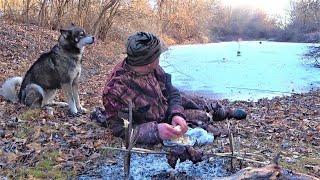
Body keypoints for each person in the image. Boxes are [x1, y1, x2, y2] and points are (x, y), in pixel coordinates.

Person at [102, 32, 246, 144]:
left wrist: (176, 114)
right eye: (158, 56)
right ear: (149, 62)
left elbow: (172, 92)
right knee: (202, 118)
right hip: (155, 123)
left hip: (166, 109)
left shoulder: (154, 68)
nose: (159, 58)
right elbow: (120, 128)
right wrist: (154, 131)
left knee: (196, 101)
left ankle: (225, 111)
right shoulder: (115, 90)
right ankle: (212, 116)